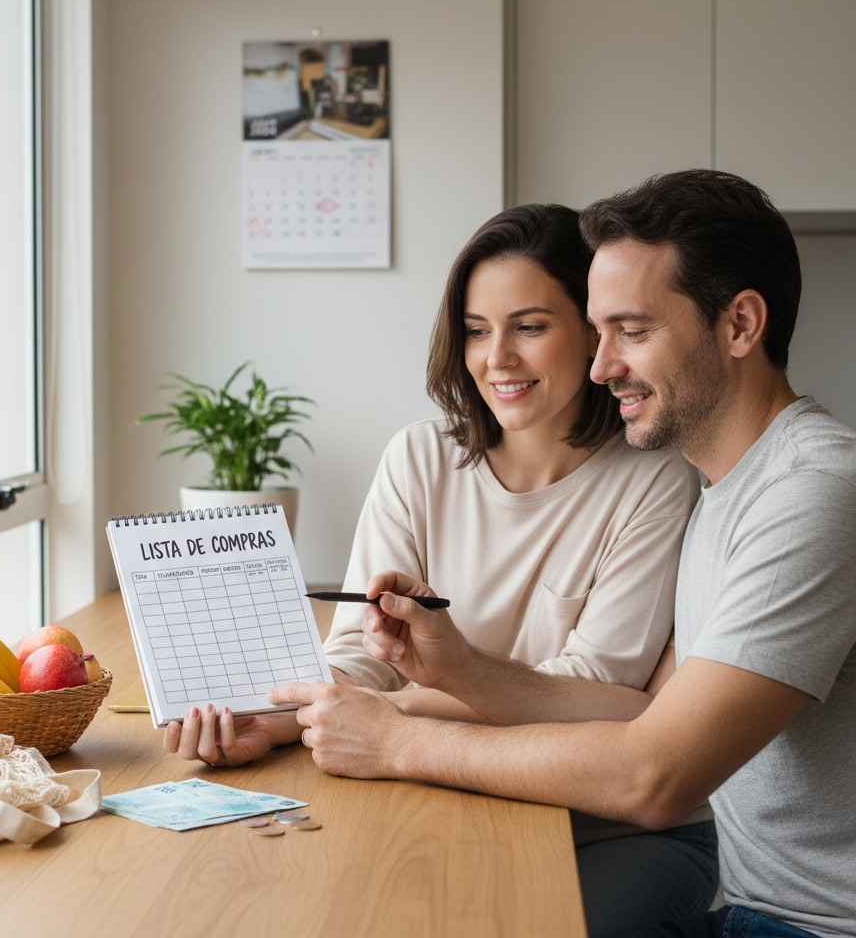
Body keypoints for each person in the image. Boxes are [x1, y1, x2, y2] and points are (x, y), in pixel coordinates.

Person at [269, 170, 856, 938]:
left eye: (632, 332)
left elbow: (654, 775)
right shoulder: (726, 490)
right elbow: (646, 716)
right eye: (600, 328)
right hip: (755, 909)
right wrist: (458, 673)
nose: (603, 365)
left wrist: (400, 737)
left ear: (740, 325)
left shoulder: (811, 494)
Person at [166, 204, 715, 936]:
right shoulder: (419, 459)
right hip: (447, 791)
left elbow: (599, 699)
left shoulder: (655, 478)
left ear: (591, 330)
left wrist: (386, 716)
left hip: (613, 830)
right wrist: (277, 720)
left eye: (529, 326)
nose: (498, 359)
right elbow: (361, 653)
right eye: (476, 330)